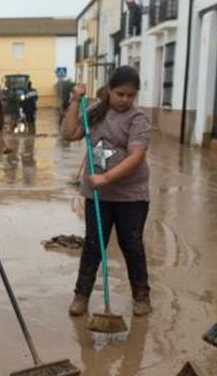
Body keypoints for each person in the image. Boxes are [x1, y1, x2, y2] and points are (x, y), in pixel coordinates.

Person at [61, 66, 153, 318]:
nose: (125, 100)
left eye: (130, 96)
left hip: (131, 196)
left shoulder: (138, 120)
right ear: (110, 90)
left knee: (131, 244)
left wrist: (107, 177)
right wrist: (75, 101)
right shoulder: (94, 112)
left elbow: (136, 157)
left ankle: (141, 296)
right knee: (93, 244)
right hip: (98, 196)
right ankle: (81, 296)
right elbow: (69, 134)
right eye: (120, 94)